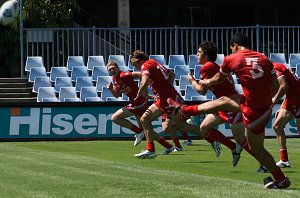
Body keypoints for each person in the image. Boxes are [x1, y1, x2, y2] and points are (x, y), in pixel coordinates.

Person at [168, 33, 290, 189]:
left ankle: (279, 177)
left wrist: (201, 81)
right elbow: (274, 85)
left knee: (255, 147)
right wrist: (264, 98)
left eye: (231, 48)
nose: (230, 51)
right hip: (255, 102)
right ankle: (185, 111)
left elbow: (216, 81)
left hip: (254, 110)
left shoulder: (230, 59)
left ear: (235, 46)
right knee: (220, 106)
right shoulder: (263, 58)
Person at [187, 40, 253, 166]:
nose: (197, 54)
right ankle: (233, 148)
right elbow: (230, 82)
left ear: (205, 55)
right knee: (204, 127)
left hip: (231, 105)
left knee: (241, 139)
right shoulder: (215, 66)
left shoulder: (207, 67)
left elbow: (201, 91)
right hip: (223, 104)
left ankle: (263, 163)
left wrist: (192, 81)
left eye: (199, 52)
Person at [130, 50, 194, 159]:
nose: (136, 68)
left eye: (135, 65)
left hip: (166, 99)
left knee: (178, 125)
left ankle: (209, 136)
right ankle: (154, 149)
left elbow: (144, 81)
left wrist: (140, 93)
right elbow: (172, 73)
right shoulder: (154, 62)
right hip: (165, 97)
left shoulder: (145, 65)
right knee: (148, 121)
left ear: (138, 61)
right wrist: (167, 87)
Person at [266, 62, 300, 168]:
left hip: (296, 99)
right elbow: (289, 85)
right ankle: (284, 160)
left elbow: (284, 86)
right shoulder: (278, 66)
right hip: (291, 98)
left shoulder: (273, 68)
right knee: (277, 126)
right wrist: (281, 107)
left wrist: (274, 101)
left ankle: (284, 160)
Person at [106, 60, 147, 146]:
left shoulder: (124, 75)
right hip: (136, 102)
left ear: (118, 67)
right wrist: (110, 89)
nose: (112, 71)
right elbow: (117, 95)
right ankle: (168, 146)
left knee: (115, 118)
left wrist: (143, 90)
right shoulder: (114, 79)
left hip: (138, 103)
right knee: (146, 129)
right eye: (110, 70)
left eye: (113, 68)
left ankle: (139, 132)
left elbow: (140, 75)